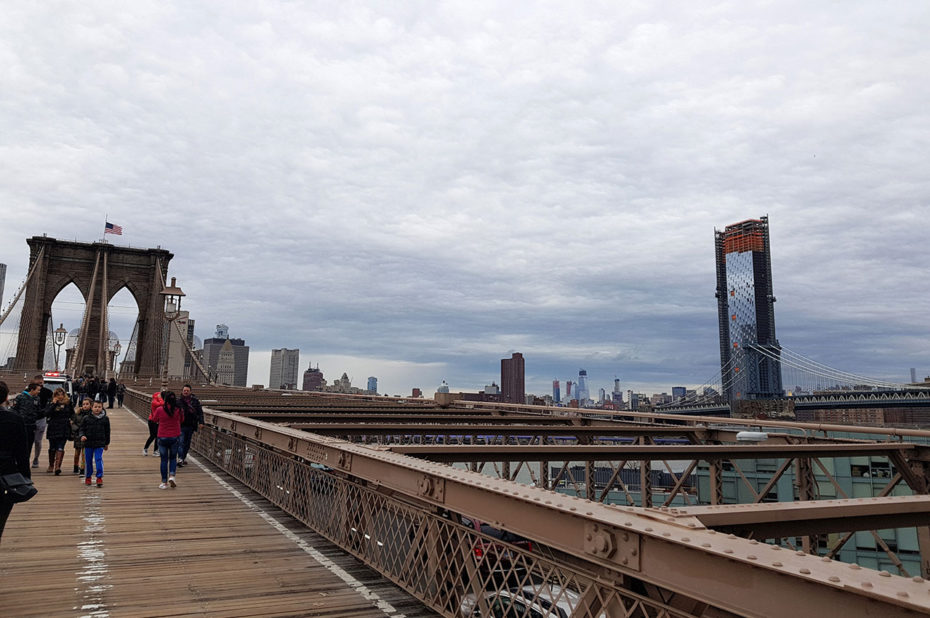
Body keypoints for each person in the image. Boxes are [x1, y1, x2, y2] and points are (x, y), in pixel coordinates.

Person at [0, 381, 31, 542]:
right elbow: (22, 453)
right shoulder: (14, 419)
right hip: (6, 477)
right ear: (6, 397)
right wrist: (25, 478)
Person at [152, 391, 183, 489]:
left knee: (164, 460)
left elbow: (154, 419)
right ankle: (172, 476)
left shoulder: (160, 409)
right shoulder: (178, 410)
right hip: (175, 436)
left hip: (162, 436)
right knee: (173, 458)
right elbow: (182, 420)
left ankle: (164, 482)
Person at [79, 400, 110, 487]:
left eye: (99, 407)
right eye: (95, 407)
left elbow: (107, 432)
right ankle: (88, 477)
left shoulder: (105, 419)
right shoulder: (86, 418)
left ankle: (99, 477)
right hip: (88, 443)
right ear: (91, 408)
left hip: (100, 443)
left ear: (102, 407)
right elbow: (82, 429)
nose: (97, 409)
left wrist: (106, 443)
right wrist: (82, 436)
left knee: (98, 459)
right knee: (88, 461)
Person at [11, 383, 43, 464]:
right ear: (32, 390)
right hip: (21, 425)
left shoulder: (37, 399)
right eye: (37, 390)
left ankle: (25, 462)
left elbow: (39, 412)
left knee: (29, 446)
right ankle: (16, 462)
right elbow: (14, 409)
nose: (39, 392)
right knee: (19, 445)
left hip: (31, 426)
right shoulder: (20, 397)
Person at [44, 388, 73, 476]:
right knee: (52, 447)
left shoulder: (68, 403)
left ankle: (57, 467)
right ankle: (51, 465)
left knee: (60, 447)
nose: (60, 396)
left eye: (62, 394)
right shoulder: (51, 402)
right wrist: (53, 404)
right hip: (53, 426)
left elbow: (72, 413)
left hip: (64, 426)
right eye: (58, 394)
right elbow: (47, 413)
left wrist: (72, 421)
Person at [177, 384, 204, 467]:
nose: (185, 392)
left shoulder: (195, 401)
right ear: (182, 391)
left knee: (187, 443)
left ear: (190, 392)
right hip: (181, 425)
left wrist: (201, 422)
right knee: (181, 442)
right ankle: (180, 458)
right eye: (184, 390)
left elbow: (200, 412)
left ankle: (183, 457)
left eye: (187, 391)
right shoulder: (178, 401)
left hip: (191, 425)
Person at [31, 374, 53, 468]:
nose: (40, 386)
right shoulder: (28, 392)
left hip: (41, 418)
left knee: (37, 441)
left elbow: (51, 404)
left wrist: (46, 413)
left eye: (41, 383)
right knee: (28, 441)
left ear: (43, 382)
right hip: (30, 419)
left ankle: (36, 459)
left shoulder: (48, 392)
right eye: (38, 384)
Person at [71, 399, 91, 474]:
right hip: (78, 435)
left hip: (86, 436)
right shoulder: (78, 413)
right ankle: (75, 466)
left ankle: (83, 468)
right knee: (77, 453)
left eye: (87, 404)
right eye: (83, 404)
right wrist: (77, 430)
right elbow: (73, 423)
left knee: (84, 453)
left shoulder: (92, 414)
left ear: (90, 405)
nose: (85, 406)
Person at [143, 391, 163, 456]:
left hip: (157, 421)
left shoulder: (156, 400)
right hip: (152, 421)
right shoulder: (154, 402)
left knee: (156, 436)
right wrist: (160, 398)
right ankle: (146, 449)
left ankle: (155, 450)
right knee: (153, 436)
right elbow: (162, 403)